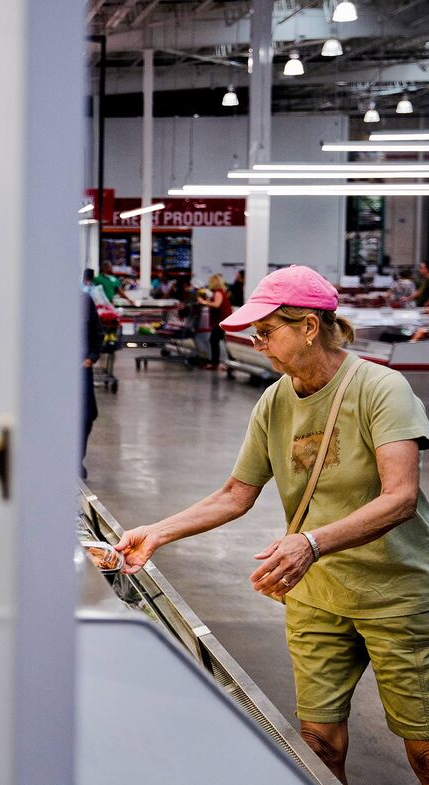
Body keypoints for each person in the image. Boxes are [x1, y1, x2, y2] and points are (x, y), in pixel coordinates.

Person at [115, 265, 429, 784]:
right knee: (318, 747)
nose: (258, 344)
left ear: (309, 326)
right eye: (254, 334)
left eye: (266, 332)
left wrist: (311, 542)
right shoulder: (275, 399)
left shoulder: (381, 389)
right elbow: (236, 494)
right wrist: (158, 532)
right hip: (316, 597)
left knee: (422, 749)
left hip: (394, 593)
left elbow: (399, 499)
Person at [81, 292, 102, 480]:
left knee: (86, 416)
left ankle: (76, 460)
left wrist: (91, 358)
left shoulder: (84, 300)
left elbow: (98, 333)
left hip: (80, 369)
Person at [197, 274, 234, 371]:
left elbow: (217, 304)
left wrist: (204, 302)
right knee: (219, 341)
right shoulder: (219, 292)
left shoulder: (218, 292)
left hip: (221, 321)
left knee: (214, 341)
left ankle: (217, 363)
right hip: (222, 320)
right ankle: (228, 363)